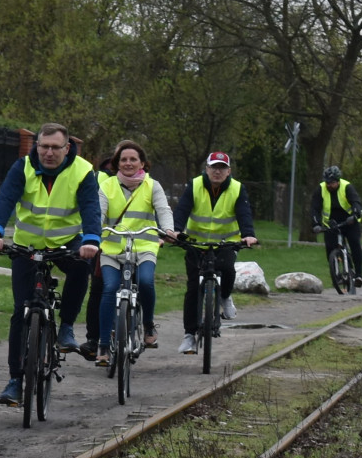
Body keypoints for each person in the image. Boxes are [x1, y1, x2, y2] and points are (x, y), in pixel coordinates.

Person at [0, 123, 102, 406]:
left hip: (67, 241)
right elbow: (5, 199)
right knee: (19, 312)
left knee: (81, 268)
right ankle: (15, 381)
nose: (48, 153)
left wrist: (91, 240)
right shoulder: (22, 166)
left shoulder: (83, 170)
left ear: (67, 148)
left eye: (55, 147)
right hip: (28, 243)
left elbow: (90, 207)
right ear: (36, 145)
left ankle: (67, 328)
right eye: (43, 146)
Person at [94, 140, 177, 367]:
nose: (128, 163)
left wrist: (168, 230)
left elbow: (163, 210)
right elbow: (98, 214)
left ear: (142, 162)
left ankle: (148, 324)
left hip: (144, 247)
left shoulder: (153, 185)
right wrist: (92, 233)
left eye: (133, 159)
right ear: (116, 163)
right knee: (110, 288)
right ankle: (103, 345)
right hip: (111, 249)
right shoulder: (107, 186)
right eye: (124, 159)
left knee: (147, 283)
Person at [172, 151, 258, 354]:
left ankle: (225, 297)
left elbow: (244, 213)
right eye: (214, 167)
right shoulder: (194, 185)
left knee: (227, 268)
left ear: (228, 171)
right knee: (193, 288)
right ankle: (189, 336)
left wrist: (248, 235)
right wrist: (174, 230)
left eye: (222, 168)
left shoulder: (237, 189)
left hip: (225, 243)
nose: (217, 171)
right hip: (196, 243)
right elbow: (182, 209)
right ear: (207, 169)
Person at [79, 156, 115, 361]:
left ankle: (134, 324)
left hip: (135, 243)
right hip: (102, 243)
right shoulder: (99, 178)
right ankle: (94, 339)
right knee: (99, 288)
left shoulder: (142, 180)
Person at [310, 165, 362, 287]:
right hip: (331, 223)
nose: (329, 185)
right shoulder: (320, 189)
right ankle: (337, 275)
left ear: (338, 181)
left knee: (354, 243)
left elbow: (356, 202)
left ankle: (359, 275)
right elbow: (314, 208)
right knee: (330, 248)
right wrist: (316, 224)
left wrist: (355, 214)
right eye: (327, 182)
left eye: (332, 183)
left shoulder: (347, 187)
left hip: (349, 221)